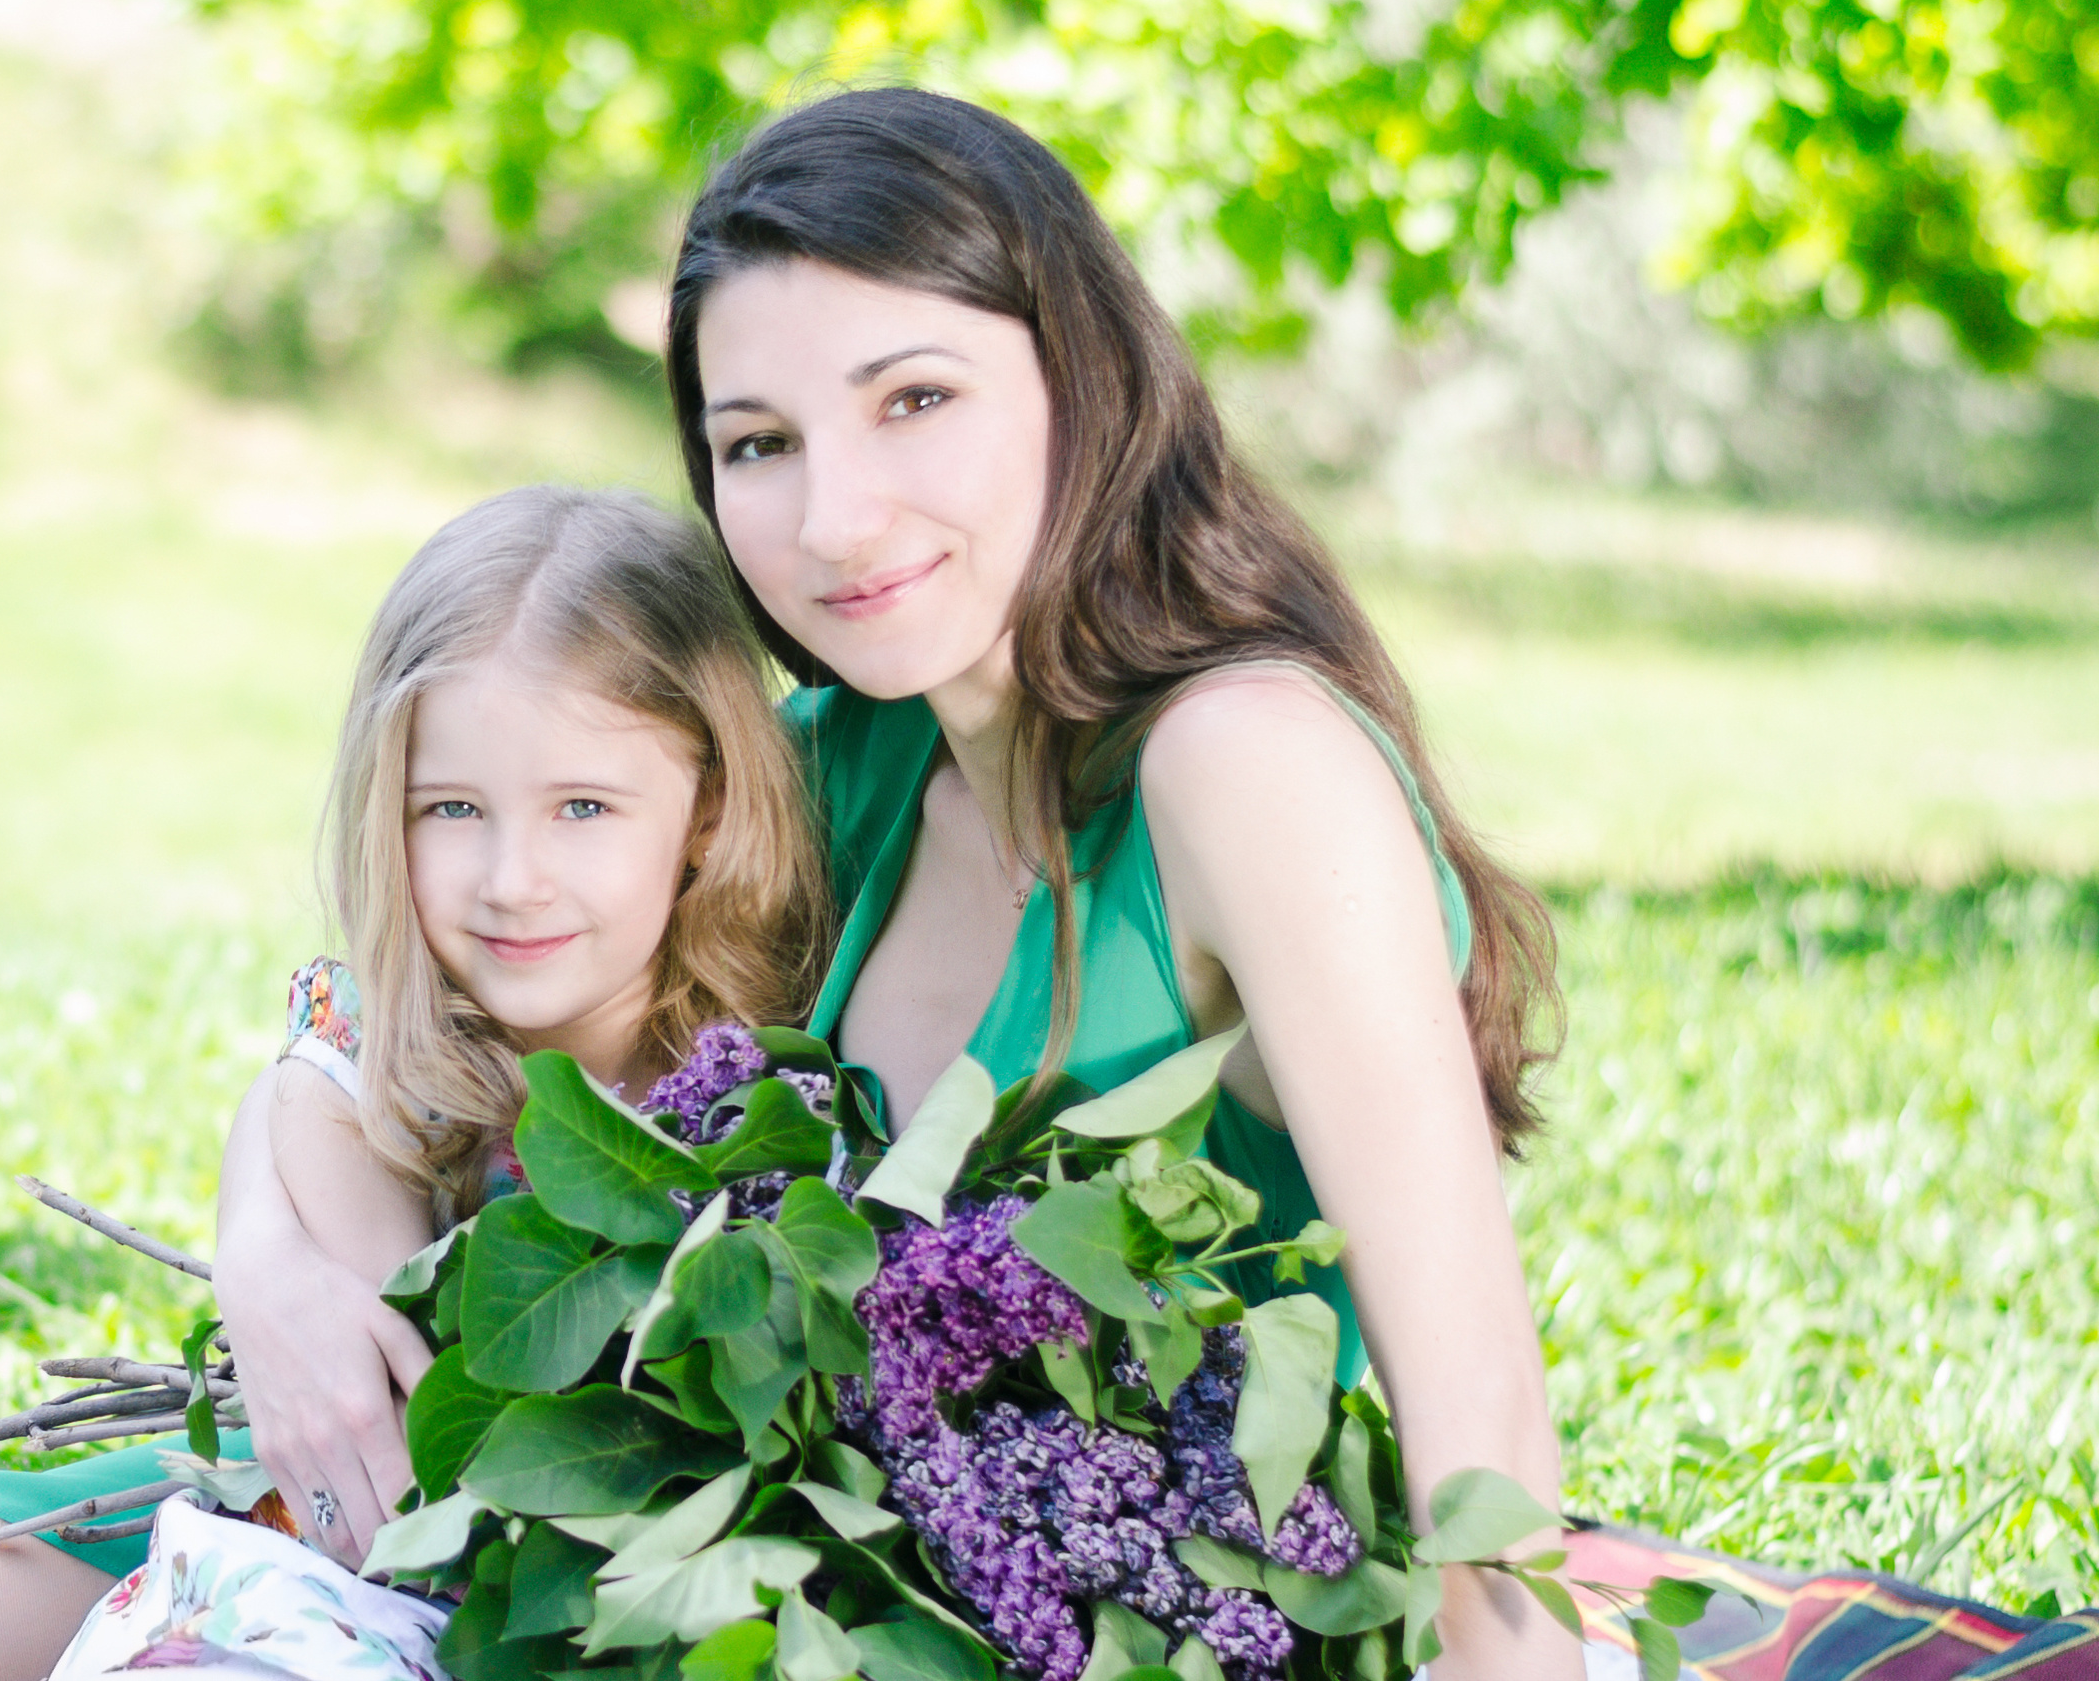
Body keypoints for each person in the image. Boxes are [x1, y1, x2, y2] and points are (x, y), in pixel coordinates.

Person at [214, 89, 1583, 1681]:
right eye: (760, 445)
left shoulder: (1242, 768)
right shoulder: (841, 764)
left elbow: (1479, 1415)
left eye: (914, 399)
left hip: (1133, 1609)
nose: (835, 516)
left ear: (1086, 379)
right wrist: (273, 1262)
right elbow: (390, 996)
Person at [0, 485, 830, 1681]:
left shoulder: (772, 1072)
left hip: (488, 1592)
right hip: (290, 1510)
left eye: (583, 807)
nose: (511, 880)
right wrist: (266, 1221)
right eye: (452, 809)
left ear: (708, 807)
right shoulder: (386, 1031)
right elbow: (365, 1362)